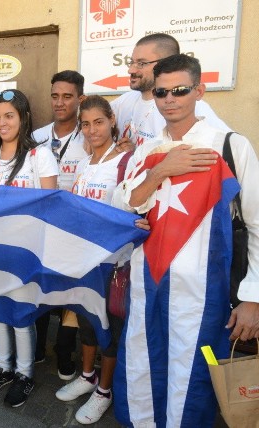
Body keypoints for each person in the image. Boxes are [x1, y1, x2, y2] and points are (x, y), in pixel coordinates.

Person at [111, 54, 259, 426]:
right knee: (143, 367)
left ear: (199, 90)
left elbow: (257, 224)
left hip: (203, 292)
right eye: (161, 92)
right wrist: (161, 171)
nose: (170, 99)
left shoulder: (228, 144)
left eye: (180, 90)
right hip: (147, 284)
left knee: (190, 379)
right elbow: (124, 204)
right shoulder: (145, 151)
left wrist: (253, 298)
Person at [56, 95, 144, 424]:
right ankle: (88, 375)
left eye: (99, 122)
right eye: (86, 124)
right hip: (85, 258)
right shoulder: (83, 163)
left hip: (114, 262)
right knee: (86, 319)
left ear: (111, 122)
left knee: (110, 325)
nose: (92, 130)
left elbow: (132, 208)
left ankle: (104, 391)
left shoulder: (126, 161)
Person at [0, 89, 58, 408]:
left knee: (22, 313)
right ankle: (3, 366)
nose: (1, 123)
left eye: (9, 115)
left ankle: (25, 373)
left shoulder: (41, 155)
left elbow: (50, 206)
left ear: (24, 117)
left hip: (26, 251)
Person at [31, 70, 88, 380]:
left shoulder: (90, 136)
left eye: (67, 96)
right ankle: (39, 346)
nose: (60, 102)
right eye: (55, 96)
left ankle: (64, 351)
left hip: (75, 229)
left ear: (79, 98)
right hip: (41, 228)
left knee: (71, 292)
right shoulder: (37, 137)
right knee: (40, 288)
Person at [110, 33, 229, 149]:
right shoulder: (124, 101)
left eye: (141, 63)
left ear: (165, 63)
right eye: (131, 62)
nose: (131, 70)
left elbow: (228, 148)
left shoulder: (193, 108)